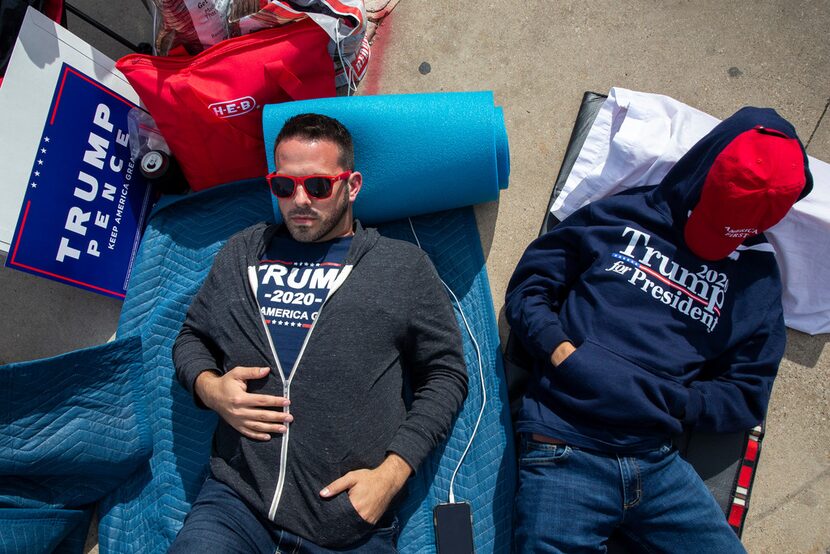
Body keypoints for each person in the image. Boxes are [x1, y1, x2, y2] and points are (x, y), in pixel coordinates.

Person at [505, 107, 813, 553]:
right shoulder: (620, 214)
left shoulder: (758, 282)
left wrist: (673, 399)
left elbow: (747, 394)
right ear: (702, 171)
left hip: (657, 461)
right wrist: (560, 351)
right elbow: (531, 286)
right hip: (564, 447)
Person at [170, 113, 468, 553]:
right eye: (284, 187)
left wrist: (392, 474)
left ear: (353, 185)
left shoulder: (401, 267)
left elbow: (446, 375)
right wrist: (211, 390)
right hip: (236, 504)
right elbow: (191, 337)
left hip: (346, 526)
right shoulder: (243, 252)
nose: (300, 200)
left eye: (318, 186)